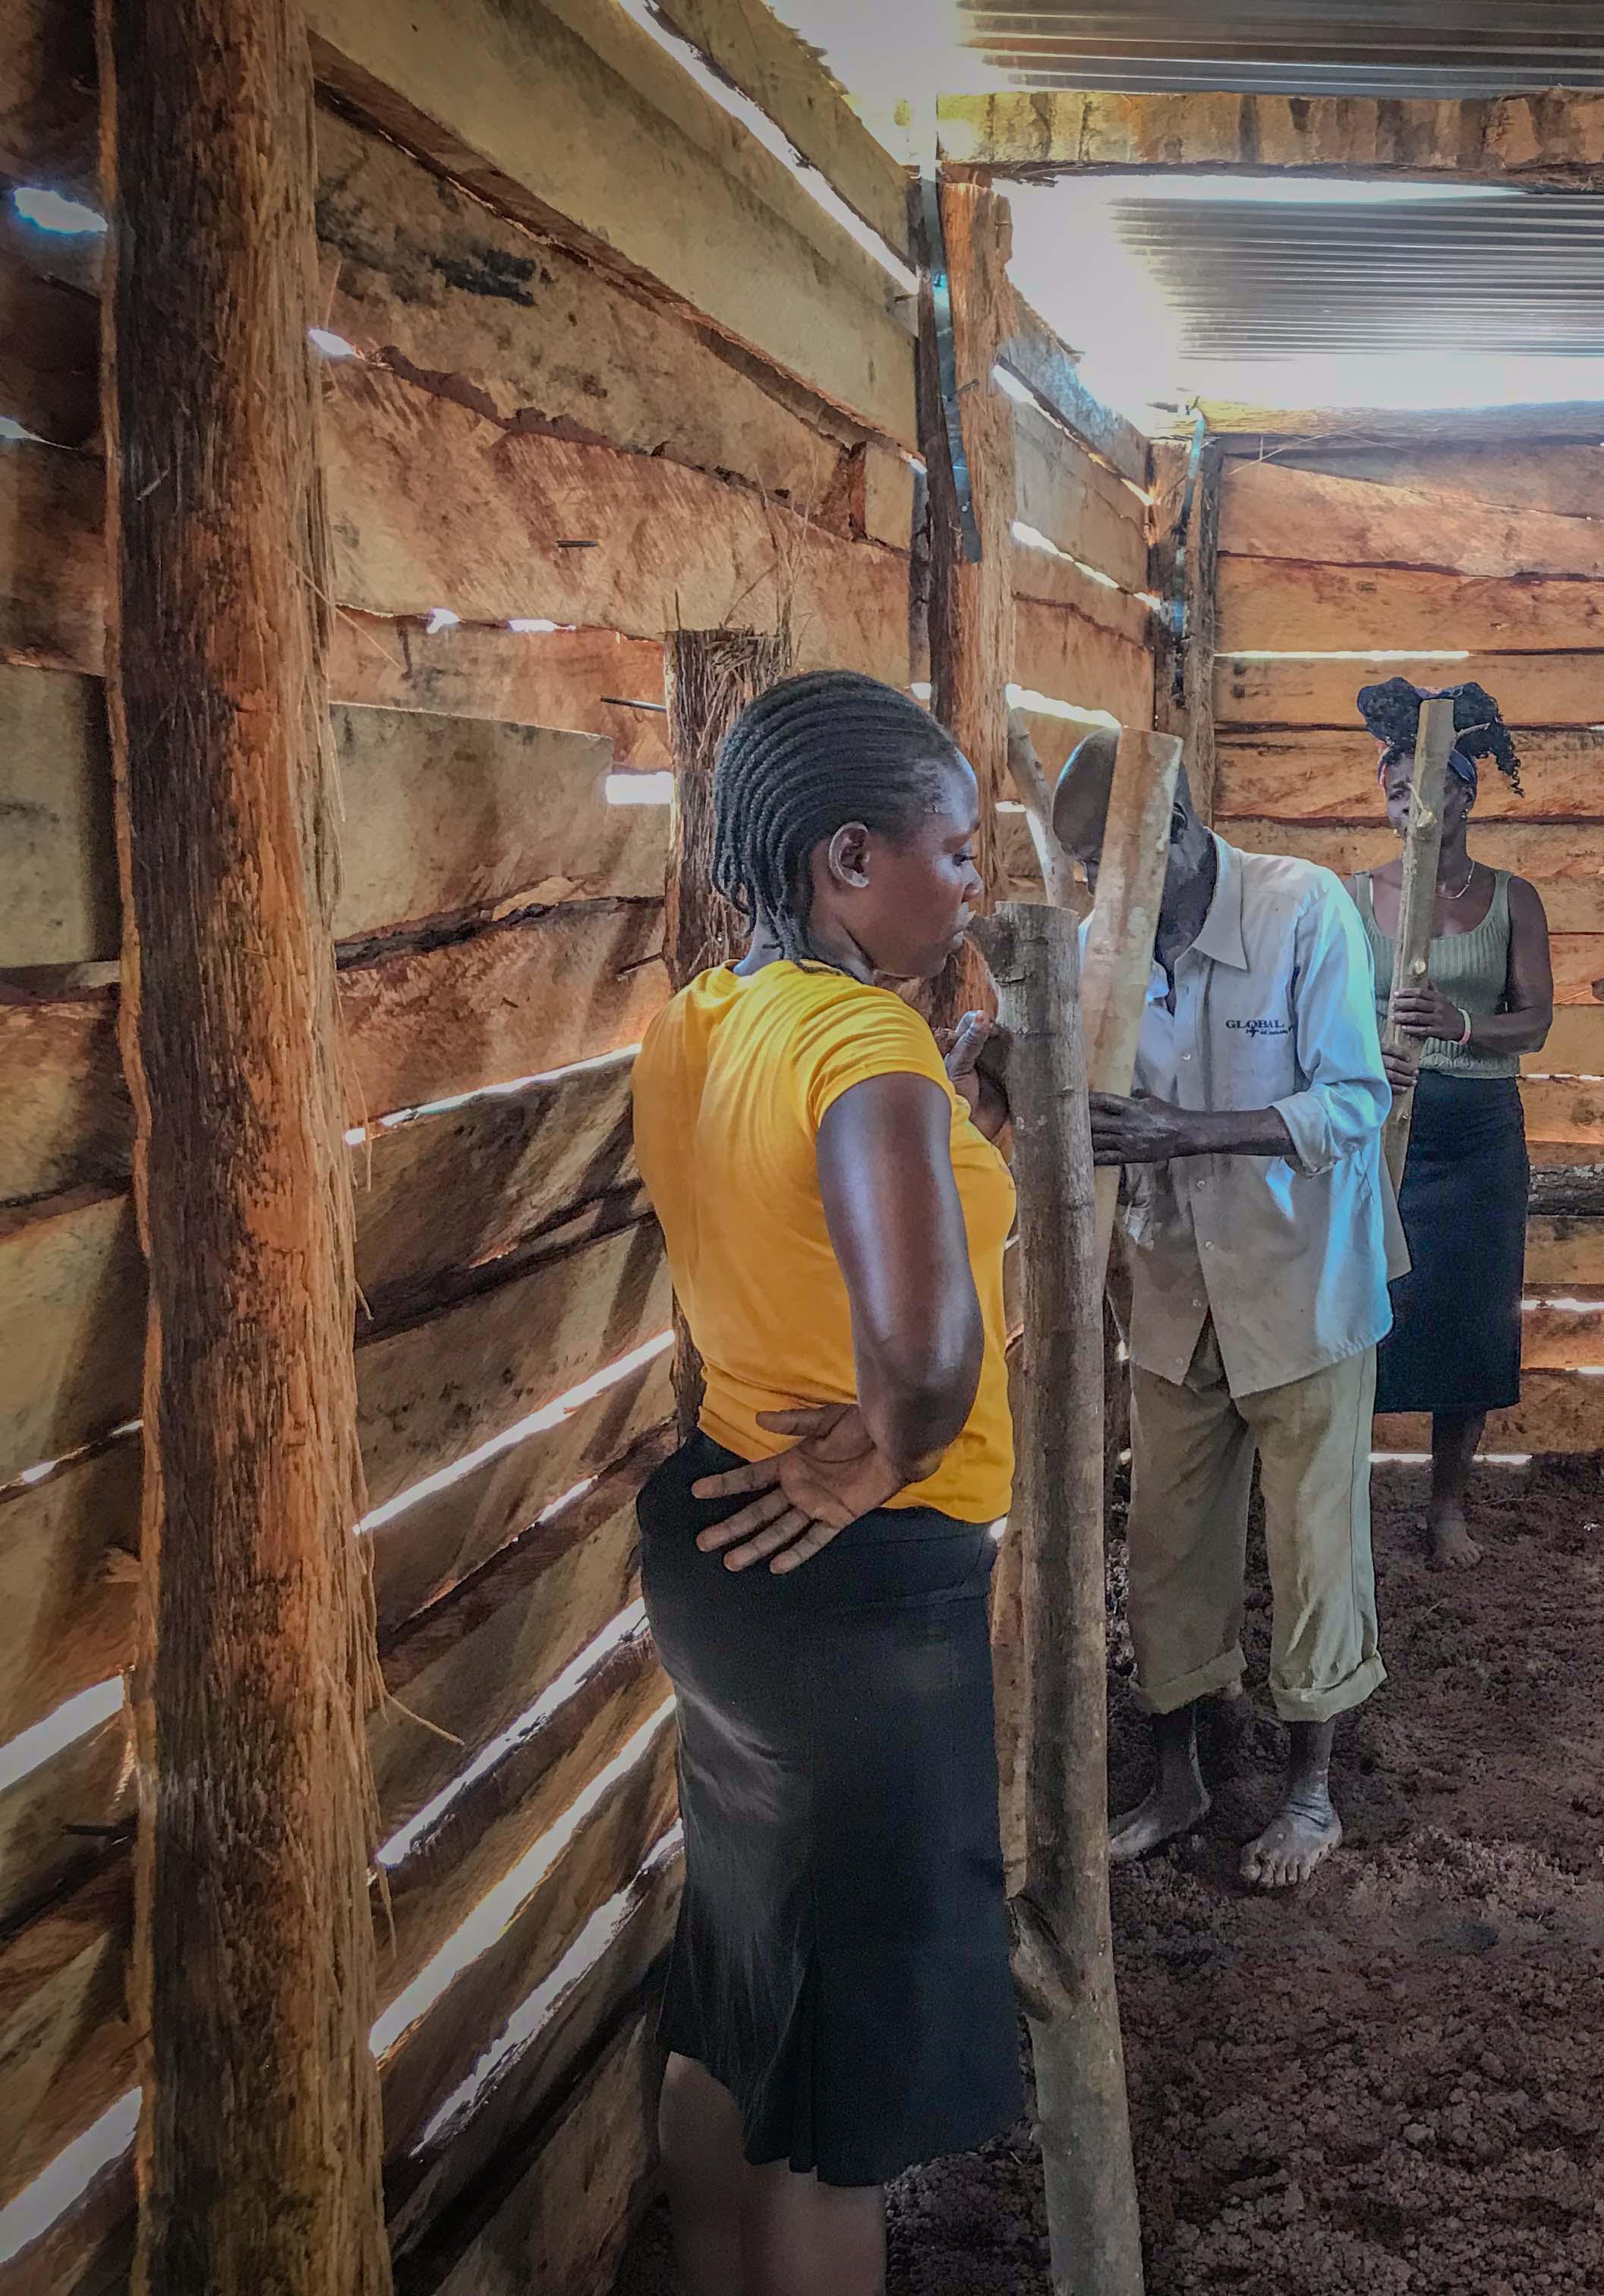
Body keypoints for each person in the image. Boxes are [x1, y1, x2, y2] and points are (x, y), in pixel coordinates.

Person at [629, 671, 1026, 2296]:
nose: (974, 883)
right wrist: (882, 1451)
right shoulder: (865, 1045)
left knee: (747, 1998)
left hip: (727, 1543)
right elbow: (924, 1357)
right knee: (842, 2096)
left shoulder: (710, 1012)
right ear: (848, 860)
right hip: (862, 1587)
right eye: (956, 850)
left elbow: (788, 1209)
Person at [1057, 738, 1401, 1890]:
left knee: (1313, 1544)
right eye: (1092, 888)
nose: (1114, 913)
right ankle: (1179, 1776)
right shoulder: (1101, 940)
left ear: (1186, 841)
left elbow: (1354, 1099)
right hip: (1169, 1290)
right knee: (1165, 1543)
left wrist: (1183, 1131)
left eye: (1129, 885)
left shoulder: (1303, 911)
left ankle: (1310, 1791)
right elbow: (1080, 1099)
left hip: (1302, 1284)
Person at [1343, 678, 1555, 1569]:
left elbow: (1537, 1022)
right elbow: (1325, 1018)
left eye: (1425, 789)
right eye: (1394, 792)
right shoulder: (1351, 898)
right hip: (1382, 1133)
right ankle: (1344, 1502)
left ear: (1465, 793)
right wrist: (1366, 1058)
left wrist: (1461, 1027)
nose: (1408, 805)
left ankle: (1445, 1507)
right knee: (1365, 1311)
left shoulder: (1514, 899)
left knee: (1469, 1318)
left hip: (1478, 1138)